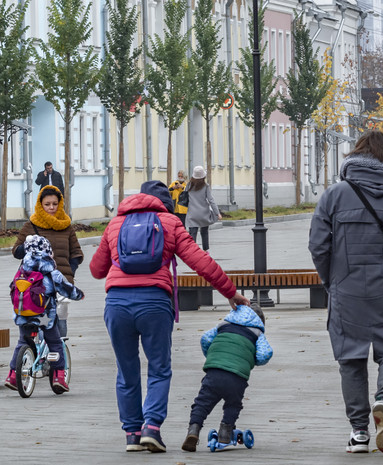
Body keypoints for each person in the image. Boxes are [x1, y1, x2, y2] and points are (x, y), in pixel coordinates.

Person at [89, 180, 249, 453]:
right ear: (167, 203)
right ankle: (151, 428)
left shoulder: (115, 223)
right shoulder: (169, 223)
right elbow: (200, 261)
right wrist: (230, 292)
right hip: (154, 304)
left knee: (126, 371)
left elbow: (96, 269)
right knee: (159, 368)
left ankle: (131, 434)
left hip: (117, 305)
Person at [308, 131, 383, 454]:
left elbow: (318, 245)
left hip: (345, 291)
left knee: (350, 356)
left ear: (356, 154)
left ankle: (359, 432)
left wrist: (330, 280)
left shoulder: (334, 195)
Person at [182, 304, 272, 452]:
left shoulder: (222, 325)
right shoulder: (257, 333)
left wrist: (211, 356)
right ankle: (225, 432)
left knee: (202, 403)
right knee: (233, 404)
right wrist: (250, 359)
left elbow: (205, 339)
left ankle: (193, 430)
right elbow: (265, 354)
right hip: (237, 376)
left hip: (214, 372)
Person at [4, 235, 84, 392]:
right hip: (44, 317)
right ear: (48, 252)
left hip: (23, 315)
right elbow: (67, 289)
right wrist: (79, 295)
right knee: (55, 343)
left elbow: (13, 288)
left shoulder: (22, 270)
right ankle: (58, 377)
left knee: (22, 342)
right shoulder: (51, 273)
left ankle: (13, 376)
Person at [12, 186, 83, 338]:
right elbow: (16, 252)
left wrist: (69, 273)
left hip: (61, 281)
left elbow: (76, 253)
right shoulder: (30, 226)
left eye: (55, 204)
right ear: (40, 204)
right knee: (36, 319)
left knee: (60, 321)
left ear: (60, 204)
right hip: (35, 283)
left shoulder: (66, 226)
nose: (51, 207)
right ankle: (34, 353)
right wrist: (29, 246)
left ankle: (59, 355)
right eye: (47, 204)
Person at [184, 166, 221, 251]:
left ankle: (192, 251)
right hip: (204, 213)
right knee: (204, 232)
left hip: (192, 213)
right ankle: (205, 250)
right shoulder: (206, 186)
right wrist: (217, 213)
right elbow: (211, 200)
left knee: (192, 233)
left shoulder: (189, 185)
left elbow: (185, 197)